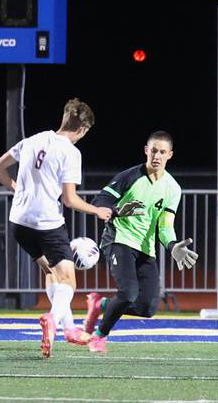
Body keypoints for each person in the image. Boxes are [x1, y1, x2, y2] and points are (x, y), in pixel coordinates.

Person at [0, 98, 113, 358]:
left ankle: (69, 329)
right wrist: (97, 210)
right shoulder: (71, 152)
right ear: (82, 129)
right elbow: (70, 200)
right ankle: (54, 321)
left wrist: (17, 189)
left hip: (19, 223)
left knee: (51, 272)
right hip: (47, 224)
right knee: (68, 280)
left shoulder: (33, 140)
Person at [82, 131, 198, 353]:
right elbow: (100, 201)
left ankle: (102, 304)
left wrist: (173, 246)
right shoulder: (129, 176)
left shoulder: (173, 188)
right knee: (128, 293)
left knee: (147, 308)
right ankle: (98, 336)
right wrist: (116, 211)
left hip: (146, 249)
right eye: (153, 150)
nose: (157, 156)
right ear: (146, 150)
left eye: (162, 152)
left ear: (170, 155)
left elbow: (164, 226)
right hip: (119, 240)